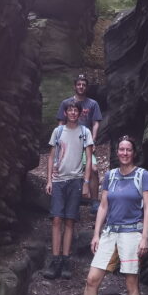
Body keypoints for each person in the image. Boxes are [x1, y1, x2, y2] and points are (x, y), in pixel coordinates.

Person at [64, 135, 148, 295]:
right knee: (92, 279)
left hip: (132, 233)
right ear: (118, 152)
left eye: (128, 150)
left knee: (132, 283)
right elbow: (103, 206)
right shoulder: (111, 176)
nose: (124, 153)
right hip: (110, 232)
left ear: (134, 152)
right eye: (121, 149)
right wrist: (96, 234)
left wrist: (145, 237)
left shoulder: (143, 175)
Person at [43, 101, 94, 280]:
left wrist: (86, 182)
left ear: (79, 114)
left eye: (75, 110)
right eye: (70, 110)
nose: (72, 113)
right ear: (65, 112)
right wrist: (49, 180)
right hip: (58, 180)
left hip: (75, 180)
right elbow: (50, 157)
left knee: (70, 221)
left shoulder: (84, 132)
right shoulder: (58, 132)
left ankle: (66, 260)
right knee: (57, 219)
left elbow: (88, 157)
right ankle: (55, 259)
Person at [57, 73, 102, 210]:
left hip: (85, 142)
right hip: (69, 142)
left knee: (93, 169)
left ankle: (94, 201)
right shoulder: (66, 103)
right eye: (79, 84)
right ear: (74, 86)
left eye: (83, 85)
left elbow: (95, 123)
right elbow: (61, 123)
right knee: (66, 169)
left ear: (86, 87)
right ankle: (68, 200)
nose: (81, 87)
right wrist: (59, 142)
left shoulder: (92, 104)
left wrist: (93, 140)